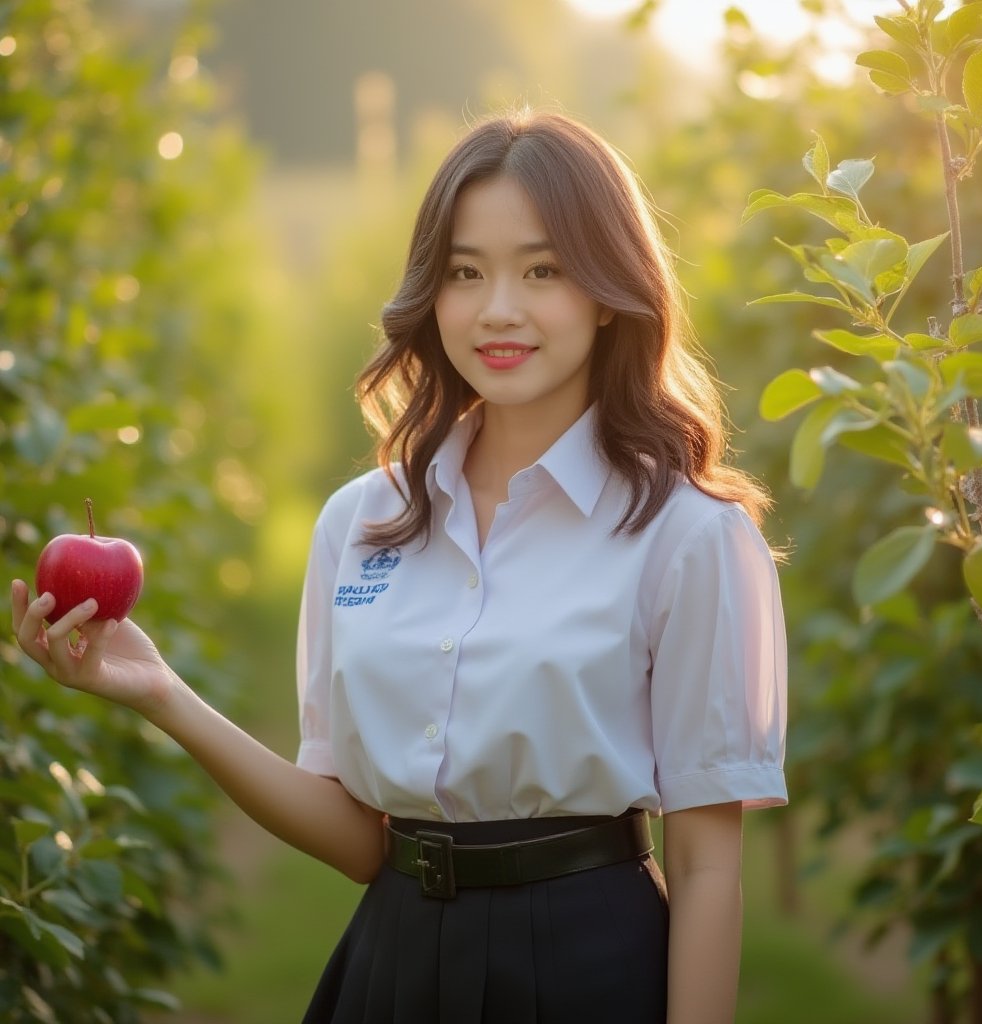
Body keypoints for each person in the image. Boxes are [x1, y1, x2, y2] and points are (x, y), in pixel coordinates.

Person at [12, 108, 787, 1024]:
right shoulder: (360, 522)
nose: (498, 308)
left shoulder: (689, 535)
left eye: (542, 269)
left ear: (611, 290)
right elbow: (360, 841)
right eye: (466, 272)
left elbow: (707, 864)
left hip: (589, 961)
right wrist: (160, 694)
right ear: (431, 293)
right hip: (391, 962)